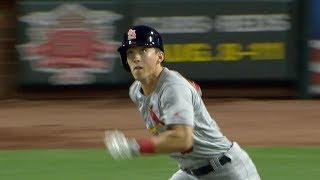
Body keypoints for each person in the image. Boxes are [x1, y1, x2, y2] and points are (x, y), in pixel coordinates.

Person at [104, 25, 261, 180]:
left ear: (160, 56)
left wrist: (134, 147)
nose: (136, 57)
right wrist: (188, 92)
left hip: (227, 171)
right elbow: (195, 89)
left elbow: (182, 140)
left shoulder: (173, 88)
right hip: (190, 173)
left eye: (143, 50)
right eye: (130, 52)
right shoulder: (136, 91)